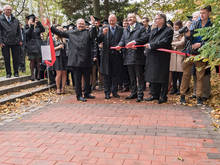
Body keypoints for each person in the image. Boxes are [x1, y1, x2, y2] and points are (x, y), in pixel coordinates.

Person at [127, 13, 174, 104]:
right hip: (152, 56)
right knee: (153, 76)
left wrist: (152, 45)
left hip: (162, 57)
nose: (155, 20)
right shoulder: (154, 30)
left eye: (157, 19)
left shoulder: (168, 30)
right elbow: (146, 38)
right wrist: (135, 41)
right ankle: (154, 95)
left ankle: (163, 96)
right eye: (155, 19)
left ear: (162, 20)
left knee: (162, 76)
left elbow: (164, 42)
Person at [51, 17, 97, 102]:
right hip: (75, 60)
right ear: (76, 24)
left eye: (82, 24)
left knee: (87, 79)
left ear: (85, 25)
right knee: (77, 79)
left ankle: (87, 93)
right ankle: (79, 95)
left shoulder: (88, 32)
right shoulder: (71, 32)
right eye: (79, 24)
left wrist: (93, 25)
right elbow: (59, 33)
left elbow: (94, 35)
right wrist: (51, 27)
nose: (81, 25)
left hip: (86, 59)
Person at [180, 5, 212, 105]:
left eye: (204, 13)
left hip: (202, 54)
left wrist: (200, 44)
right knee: (186, 75)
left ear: (209, 13)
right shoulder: (195, 23)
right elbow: (189, 37)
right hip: (190, 52)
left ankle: (199, 97)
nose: (201, 15)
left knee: (200, 77)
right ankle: (182, 95)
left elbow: (212, 41)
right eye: (200, 12)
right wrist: (188, 33)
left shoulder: (212, 25)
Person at [116, 13, 146, 102]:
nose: (130, 19)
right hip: (128, 56)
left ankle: (140, 94)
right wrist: (119, 46)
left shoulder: (141, 28)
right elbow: (122, 40)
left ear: (135, 19)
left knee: (139, 76)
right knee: (131, 77)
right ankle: (133, 93)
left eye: (132, 17)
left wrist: (135, 42)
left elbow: (145, 38)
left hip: (138, 56)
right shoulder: (126, 30)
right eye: (128, 18)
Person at [97, 14, 124, 99]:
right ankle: (107, 92)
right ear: (108, 20)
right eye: (110, 20)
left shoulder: (121, 29)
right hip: (106, 55)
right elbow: (97, 40)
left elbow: (123, 39)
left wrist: (120, 45)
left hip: (117, 55)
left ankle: (114, 91)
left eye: (113, 20)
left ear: (116, 20)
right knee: (106, 75)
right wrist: (102, 34)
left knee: (116, 74)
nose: (111, 22)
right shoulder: (103, 28)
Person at [0, 5, 22, 78]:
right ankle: (8, 73)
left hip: (15, 42)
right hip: (5, 42)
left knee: (16, 58)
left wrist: (20, 40)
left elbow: (19, 31)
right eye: (7, 9)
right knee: (7, 58)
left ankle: (16, 72)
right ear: (4, 11)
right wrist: (0, 42)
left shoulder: (15, 20)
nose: (9, 11)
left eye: (10, 9)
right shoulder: (0, 19)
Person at [25, 14, 45, 81]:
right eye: (31, 20)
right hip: (31, 46)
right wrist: (31, 26)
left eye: (33, 20)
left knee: (38, 60)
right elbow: (27, 33)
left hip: (38, 45)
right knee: (32, 60)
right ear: (28, 21)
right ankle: (32, 75)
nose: (32, 21)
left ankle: (38, 74)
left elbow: (43, 29)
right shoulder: (27, 27)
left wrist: (38, 22)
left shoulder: (38, 27)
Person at [169, 21, 185, 95]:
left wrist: (173, 44)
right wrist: (175, 44)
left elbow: (182, 42)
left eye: (177, 25)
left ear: (180, 26)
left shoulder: (182, 33)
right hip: (173, 55)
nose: (175, 27)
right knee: (174, 73)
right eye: (174, 25)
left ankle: (180, 89)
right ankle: (174, 88)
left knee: (180, 73)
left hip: (180, 54)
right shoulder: (171, 33)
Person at [53, 25, 68, 94]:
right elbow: (49, 49)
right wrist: (58, 47)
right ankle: (58, 88)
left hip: (64, 56)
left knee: (64, 73)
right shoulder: (52, 39)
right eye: (59, 29)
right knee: (59, 73)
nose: (60, 30)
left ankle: (63, 88)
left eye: (61, 29)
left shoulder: (64, 39)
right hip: (57, 57)